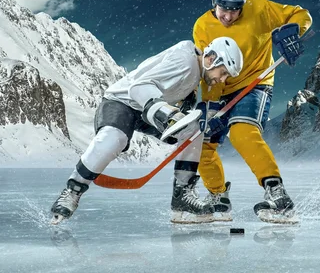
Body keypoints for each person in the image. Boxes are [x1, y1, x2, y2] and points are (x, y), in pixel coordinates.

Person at [50, 36, 244, 224]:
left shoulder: (194, 71)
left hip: (145, 112)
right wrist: (166, 114)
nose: (223, 79)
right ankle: (72, 191)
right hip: (122, 102)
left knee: (193, 130)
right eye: (224, 72)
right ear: (211, 59)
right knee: (114, 139)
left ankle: (181, 197)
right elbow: (138, 87)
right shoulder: (185, 62)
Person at [192, 0, 312, 222]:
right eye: (224, 9)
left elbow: (302, 15)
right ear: (214, 2)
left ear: (243, 4)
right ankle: (218, 198)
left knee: (242, 132)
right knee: (202, 143)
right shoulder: (202, 26)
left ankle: (277, 194)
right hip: (220, 88)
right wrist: (211, 106)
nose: (228, 16)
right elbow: (208, 69)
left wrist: (291, 32)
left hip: (255, 84)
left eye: (235, 10)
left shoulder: (259, 8)